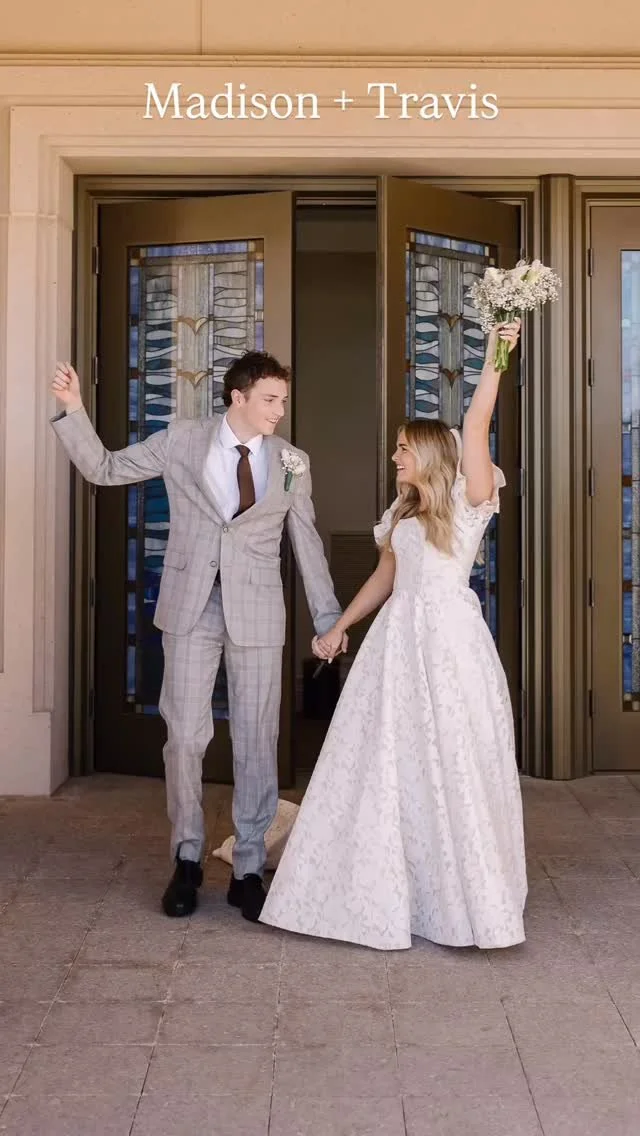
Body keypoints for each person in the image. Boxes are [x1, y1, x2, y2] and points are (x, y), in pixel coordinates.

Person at [260, 321, 527, 950]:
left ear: (430, 454)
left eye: (404, 448)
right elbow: (385, 578)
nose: (395, 457)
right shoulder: (402, 513)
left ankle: (460, 895)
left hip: (450, 643)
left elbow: (478, 423)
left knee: (451, 760)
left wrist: (497, 353)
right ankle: (395, 884)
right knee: (391, 762)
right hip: (397, 642)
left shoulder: (469, 498)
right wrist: (338, 628)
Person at [50, 351, 344, 923]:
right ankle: (186, 860)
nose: (280, 411)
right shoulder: (182, 439)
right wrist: (72, 409)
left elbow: (306, 543)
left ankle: (248, 868)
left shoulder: (293, 461)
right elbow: (105, 469)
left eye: (283, 401)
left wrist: (328, 618)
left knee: (257, 741)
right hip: (190, 609)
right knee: (184, 738)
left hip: (257, 613)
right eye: (270, 400)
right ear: (238, 397)